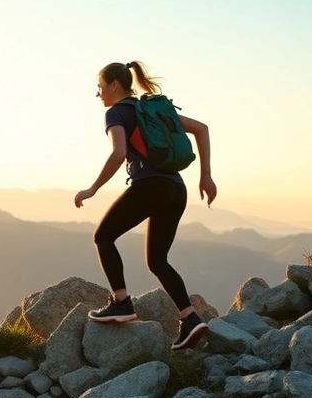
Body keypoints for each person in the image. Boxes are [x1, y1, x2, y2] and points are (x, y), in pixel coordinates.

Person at [74, 61, 217, 350]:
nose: (98, 94)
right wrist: (206, 176)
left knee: (103, 236)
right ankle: (191, 320)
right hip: (177, 189)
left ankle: (121, 302)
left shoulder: (117, 113)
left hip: (150, 187)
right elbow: (201, 129)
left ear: (114, 85)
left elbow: (119, 153)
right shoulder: (152, 110)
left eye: (100, 87)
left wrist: (93, 188)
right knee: (158, 260)